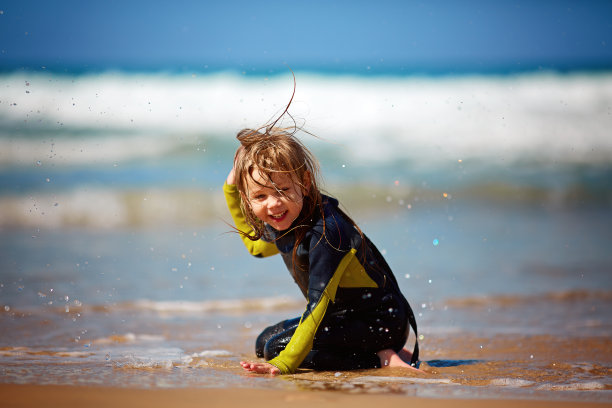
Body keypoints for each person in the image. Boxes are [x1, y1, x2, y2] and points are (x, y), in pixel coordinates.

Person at [223, 117, 421, 376]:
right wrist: (230, 190)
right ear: (248, 199)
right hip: (342, 319)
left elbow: (316, 306)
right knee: (265, 342)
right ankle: (378, 352)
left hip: (380, 323)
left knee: (276, 350)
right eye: (260, 196)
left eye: (282, 190)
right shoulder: (291, 220)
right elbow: (257, 248)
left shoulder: (327, 233)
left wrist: (282, 364)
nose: (273, 204)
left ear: (305, 183)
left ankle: (379, 355)